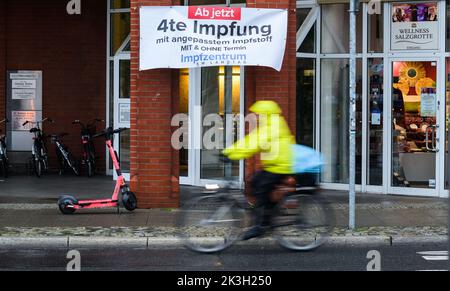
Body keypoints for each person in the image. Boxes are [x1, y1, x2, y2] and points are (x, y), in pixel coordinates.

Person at [222, 100, 295, 240]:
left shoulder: (272, 126)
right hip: (275, 165)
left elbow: (253, 143)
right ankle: (268, 213)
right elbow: (250, 140)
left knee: (260, 187)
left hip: (281, 166)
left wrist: (231, 154)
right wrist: (229, 152)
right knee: (254, 181)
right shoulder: (270, 124)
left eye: (259, 114)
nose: (257, 116)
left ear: (266, 114)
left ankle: (261, 225)